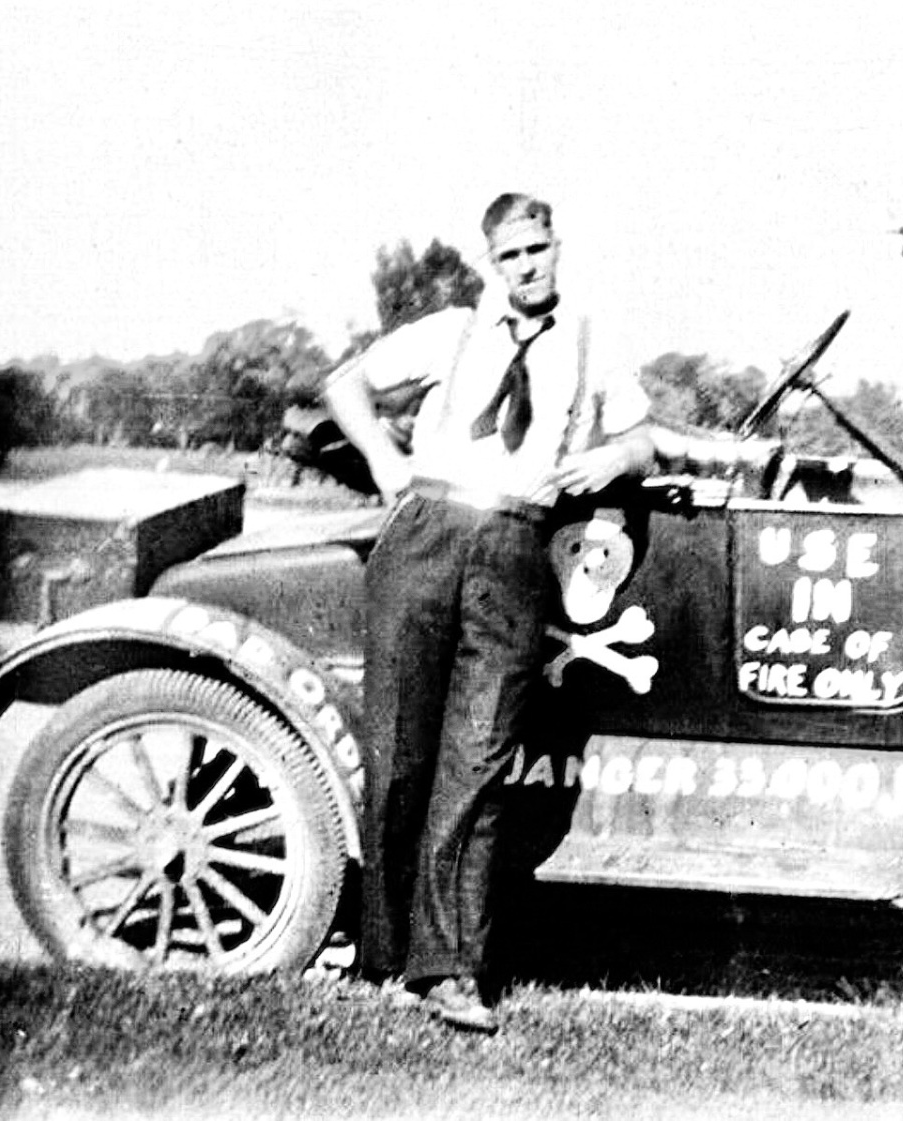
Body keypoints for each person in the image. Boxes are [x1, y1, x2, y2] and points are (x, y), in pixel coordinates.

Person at [322, 191, 654, 1032]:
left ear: (556, 246)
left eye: (537, 249)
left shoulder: (591, 342)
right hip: (426, 534)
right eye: (510, 255)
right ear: (490, 263)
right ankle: (383, 954)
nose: (527, 267)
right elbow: (344, 384)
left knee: (477, 760)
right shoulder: (450, 331)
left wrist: (610, 460)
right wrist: (384, 459)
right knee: (398, 753)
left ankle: (451, 970)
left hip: (515, 545)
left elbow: (643, 440)